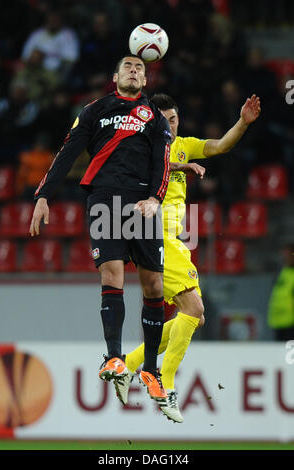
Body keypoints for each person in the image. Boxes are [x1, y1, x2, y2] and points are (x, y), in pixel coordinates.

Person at [29, 54, 171, 409]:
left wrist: (156, 197)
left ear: (145, 80)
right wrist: (45, 195)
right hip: (105, 198)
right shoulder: (94, 110)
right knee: (113, 273)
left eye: (140, 68)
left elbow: (162, 162)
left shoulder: (153, 116)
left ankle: (151, 369)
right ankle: (113, 357)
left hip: (142, 201)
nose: (134, 71)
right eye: (128, 66)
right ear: (115, 76)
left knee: (154, 284)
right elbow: (68, 152)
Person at [115, 92, 261, 423]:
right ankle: (163, 383)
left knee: (194, 317)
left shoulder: (184, 143)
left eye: (175, 118)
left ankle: (129, 365)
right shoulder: (142, 148)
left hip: (175, 241)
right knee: (194, 311)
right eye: (165, 119)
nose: (171, 124)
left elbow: (220, 145)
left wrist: (243, 122)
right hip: (154, 236)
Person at [267, 242, 294, 341]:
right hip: (278, 321)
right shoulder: (281, 272)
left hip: (291, 323)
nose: (286, 257)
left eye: (289, 255)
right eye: (284, 254)